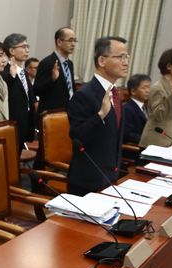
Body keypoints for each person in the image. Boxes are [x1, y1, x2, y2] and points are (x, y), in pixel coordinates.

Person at [67, 36, 129, 195]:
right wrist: (100, 115)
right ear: (102, 61)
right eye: (120, 57)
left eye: (127, 57)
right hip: (88, 181)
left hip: (110, 177)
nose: (126, 62)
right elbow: (77, 135)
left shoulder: (115, 92)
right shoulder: (84, 95)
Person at [139, 48, 172, 147]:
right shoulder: (158, 87)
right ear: (169, 66)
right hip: (156, 142)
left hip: (171, 141)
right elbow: (159, 115)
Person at [2, 33, 36, 148]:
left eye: (28, 47)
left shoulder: (24, 72)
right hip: (12, 123)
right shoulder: (5, 72)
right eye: (23, 47)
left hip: (25, 121)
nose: (27, 50)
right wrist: (12, 76)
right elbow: (5, 92)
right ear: (11, 50)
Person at [34, 27, 77, 115]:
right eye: (70, 40)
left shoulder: (70, 64)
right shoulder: (47, 62)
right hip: (52, 114)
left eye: (75, 40)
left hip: (68, 111)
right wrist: (52, 79)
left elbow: (71, 89)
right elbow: (36, 90)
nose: (73, 44)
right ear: (59, 42)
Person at [123, 74, 151, 144]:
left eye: (149, 87)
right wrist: (149, 139)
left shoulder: (146, 108)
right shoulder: (127, 109)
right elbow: (127, 134)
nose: (148, 91)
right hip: (135, 148)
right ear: (133, 91)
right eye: (144, 88)